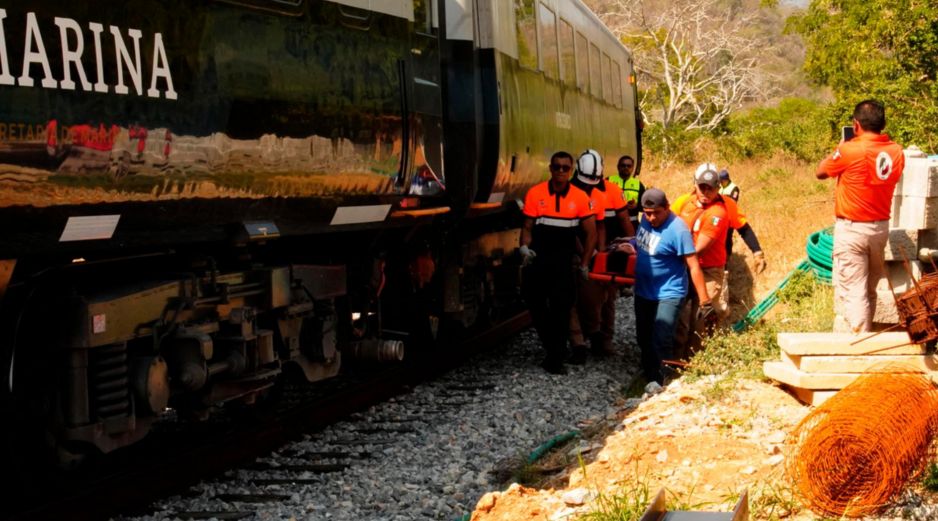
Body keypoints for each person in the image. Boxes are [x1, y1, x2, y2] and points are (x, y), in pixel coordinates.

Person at [816, 99, 904, 333]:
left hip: (852, 230)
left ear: (856, 124)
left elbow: (821, 172)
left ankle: (859, 342)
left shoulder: (849, 150)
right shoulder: (896, 152)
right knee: (868, 290)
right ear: (882, 123)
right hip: (880, 229)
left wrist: (839, 149)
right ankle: (866, 334)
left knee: (854, 292)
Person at [520, 151, 598, 374]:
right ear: (550, 168)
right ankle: (553, 349)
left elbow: (591, 233)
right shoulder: (536, 193)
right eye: (557, 167)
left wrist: (584, 263)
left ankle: (555, 358)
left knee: (562, 309)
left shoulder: (580, 197)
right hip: (538, 260)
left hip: (563, 263)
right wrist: (524, 247)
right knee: (535, 304)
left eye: (565, 168)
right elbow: (527, 227)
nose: (561, 171)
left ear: (571, 170)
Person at [627, 188, 711, 385]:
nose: (652, 218)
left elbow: (693, 265)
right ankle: (648, 376)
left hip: (669, 292)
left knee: (662, 337)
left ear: (667, 207)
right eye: (648, 213)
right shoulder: (645, 220)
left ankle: (663, 381)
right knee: (643, 336)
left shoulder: (678, 230)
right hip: (644, 290)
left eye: (657, 213)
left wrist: (705, 301)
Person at [567, 149, 635, 361]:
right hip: (576, 252)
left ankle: (602, 340)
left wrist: (625, 249)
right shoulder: (571, 191)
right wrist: (587, 255)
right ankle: (581, 341)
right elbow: (574, 231)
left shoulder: (608, 192)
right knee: (576, 298)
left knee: (607, 299)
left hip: (603, 251)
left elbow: (608, 225)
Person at [671, 163, 729, 354]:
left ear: (717, 188)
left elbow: (699, 249)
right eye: (701, 187)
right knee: (678, 313)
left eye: (710, 188)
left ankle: (696, 360)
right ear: (695, 185)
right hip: (685, 266)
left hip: (707, 270)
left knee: (702, 318)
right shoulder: (687, 203)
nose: (705, 192)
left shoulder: (717, 213)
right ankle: (676, 357)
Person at [607, 155, 645, 229]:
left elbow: (645, 206)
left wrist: (636, 206)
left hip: (631, 223)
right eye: (623, 165)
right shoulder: (608, 181)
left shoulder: (638, 184)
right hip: (611, 224)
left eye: (629, 166)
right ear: (618, 167)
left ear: (632, 168)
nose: (626, 168)